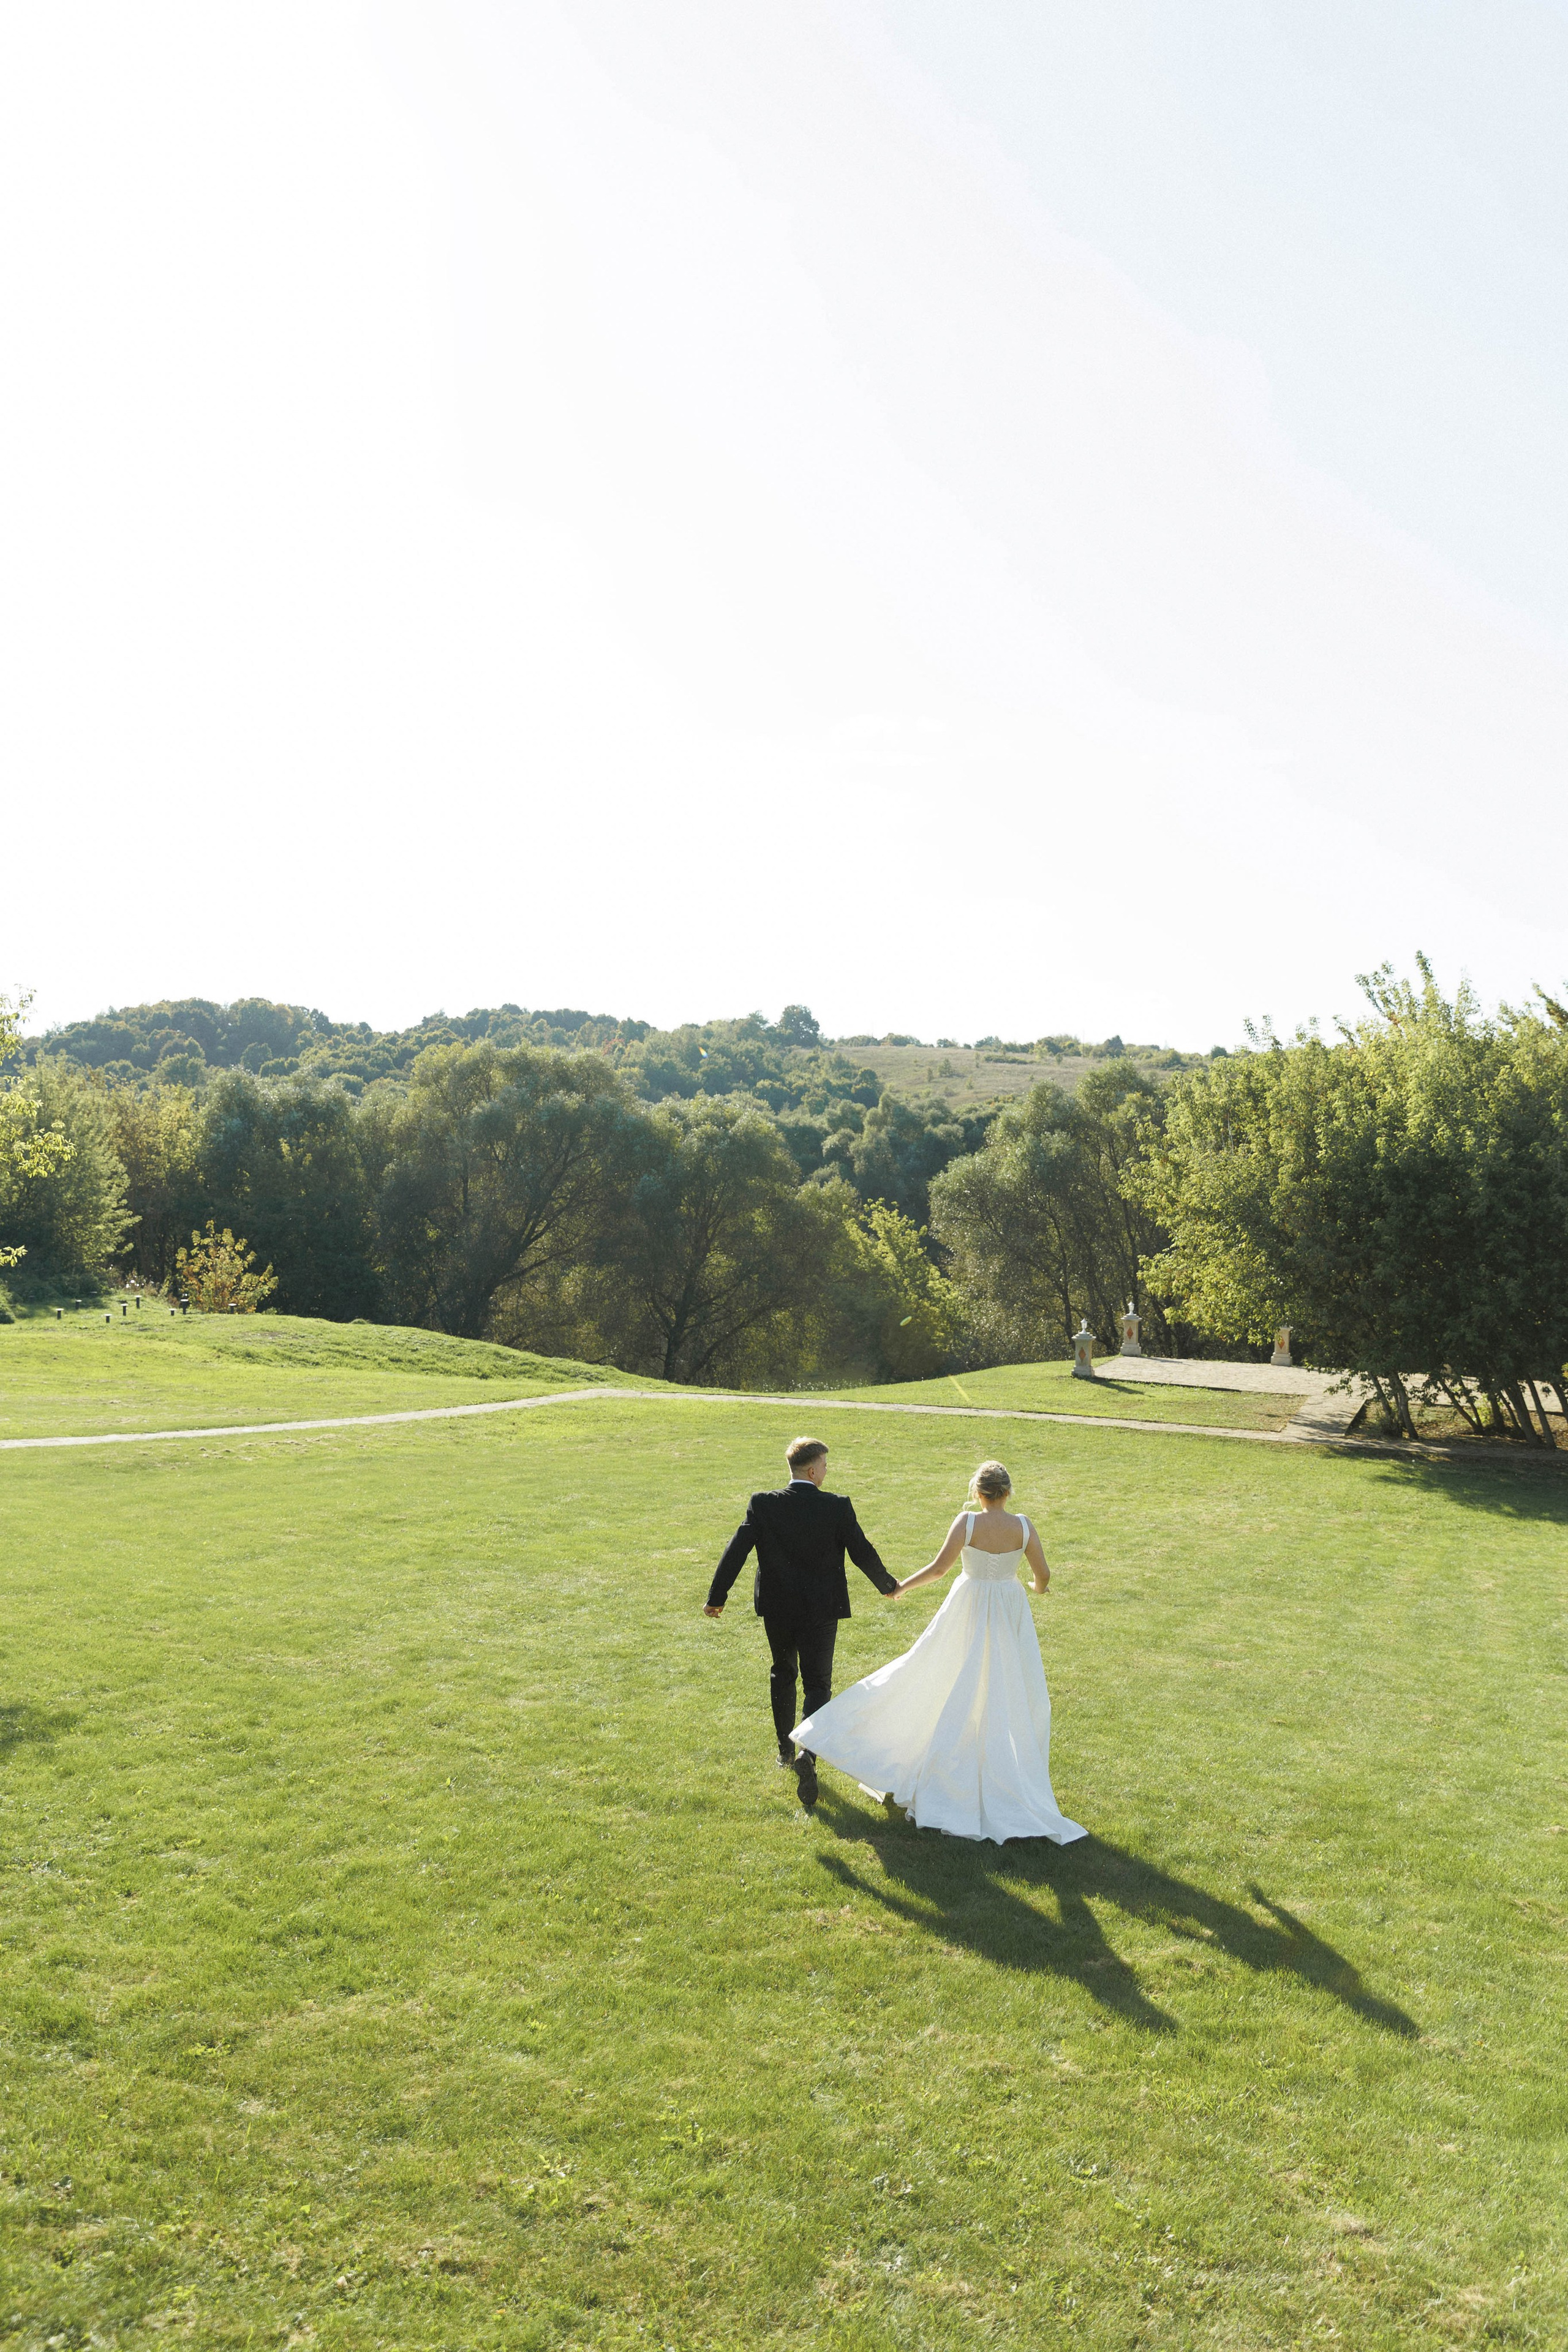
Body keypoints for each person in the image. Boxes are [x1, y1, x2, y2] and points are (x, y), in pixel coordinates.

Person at [793, 1458, 1086, 1845]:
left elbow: (938, 1569)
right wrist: (1035, 1589)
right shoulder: (1024, 1526)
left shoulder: (967, 1523)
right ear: (1008, 1492)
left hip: (968, 1606)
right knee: (1003, 1685)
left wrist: (899, 1588)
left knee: (940, 1675)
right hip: (1008, 1608)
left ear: (977, 1492)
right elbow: (1043, 1574)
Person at [705, 1436, 899, 1807]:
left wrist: (717, 1597)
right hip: (822, 1609)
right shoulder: (836, 1506)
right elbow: (862, 1550)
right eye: (825, 1465)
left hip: (779, 1607)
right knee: (818, 1681)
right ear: (813, 1470)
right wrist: (887, 1585)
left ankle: (783, 1749)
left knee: (782, 1671)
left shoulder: (763, 1504)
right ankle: (807, 1752)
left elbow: (737, 1549)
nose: (827, 1471)